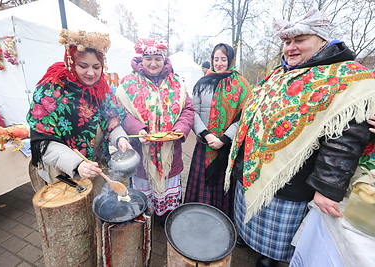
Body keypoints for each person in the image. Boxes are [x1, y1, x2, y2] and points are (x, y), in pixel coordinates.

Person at [225, 7, 375, 267]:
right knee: (251, 220)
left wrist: (327, 188)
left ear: (322, 41)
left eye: (300, 40)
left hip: (291, 180)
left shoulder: (346, 77)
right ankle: (251, 244)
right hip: (253, 171)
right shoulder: (282, 73)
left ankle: (271, 258)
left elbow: (345, 138)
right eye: (287, 42)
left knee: (276, 237)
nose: (290, 48)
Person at [27, 29, 132, 191]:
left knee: (95, 206)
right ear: (71, 63)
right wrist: (77, 164)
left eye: (97, 67)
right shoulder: (50, 90)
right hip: (62, 171)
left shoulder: (101, 88)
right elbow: (43, 142)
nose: (91, 73)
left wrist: (120, 139)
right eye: (83, 66)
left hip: (96, 167)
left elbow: (111, 121)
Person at [115, 38, 194, 223]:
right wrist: (139, 129)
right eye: (148, 58)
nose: (153, 63)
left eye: (157, 58)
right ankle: (145, 217)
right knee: (143, 194)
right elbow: (121, 112)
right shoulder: (128, 83)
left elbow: (188, 110)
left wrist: (179, 130)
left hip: (170, 152)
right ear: (141, 59)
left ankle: (166, 218)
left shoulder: (176, 83)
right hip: (142, 154)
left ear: (164, 59)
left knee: (168, 190)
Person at [184, 43, 251, 219]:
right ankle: (197, 218)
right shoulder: (202, 83)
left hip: (226, 148)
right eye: (216, 59)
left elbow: (244, 116)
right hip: (204, 144)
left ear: (231, 60)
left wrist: (224, 138)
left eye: (223, 59)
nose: (219, 63)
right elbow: (193, 111)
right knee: (202, 186)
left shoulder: (241, 85)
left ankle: (221, 220)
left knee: (222, 186)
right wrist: (206, 134)